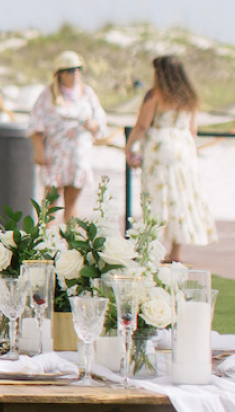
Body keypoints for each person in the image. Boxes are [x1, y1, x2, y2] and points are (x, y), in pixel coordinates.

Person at [128, 55, 217, 262]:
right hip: (183, 146)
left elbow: (142, 125)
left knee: (156, 195)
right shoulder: (189, 95)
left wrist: (129, 146)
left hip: (160, 146)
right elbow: (193, 129)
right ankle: (176, 251)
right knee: (180, 197)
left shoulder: (156, 94)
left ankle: (149, 248)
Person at [29, 51, 106, 222]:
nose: (75, 73)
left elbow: (100, 120)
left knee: (72, 202)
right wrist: (39, 151)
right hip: (55, 154)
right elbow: (35, 123)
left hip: (78, 154)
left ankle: (71, 237)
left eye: (78, 69)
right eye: (70, 70)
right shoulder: (48, 94)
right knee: (50, 201)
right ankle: (45, 235)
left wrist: (93, 125)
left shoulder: (87, 93)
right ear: (60, 73)